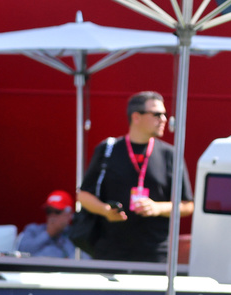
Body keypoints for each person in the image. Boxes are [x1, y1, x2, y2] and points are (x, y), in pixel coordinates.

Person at [76, 91, 193, 263]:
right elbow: (83, 195)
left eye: (165, 114)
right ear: (136, 117)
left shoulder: (170, 154)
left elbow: (188, 205)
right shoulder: (108, 149)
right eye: (157, 114)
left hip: (155, 254)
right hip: (110, 252)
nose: (164, 119)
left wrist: (157, 208)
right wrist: (105, 210)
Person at [15, 189, 76, 259]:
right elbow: (22, 252)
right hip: (36, 269)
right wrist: (48, 234)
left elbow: (80, 258)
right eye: (49, 211)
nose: (52, 215)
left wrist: (59, 232)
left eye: (57, 211)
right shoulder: (33, 229)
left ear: (69, 214)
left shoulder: (75, 234)